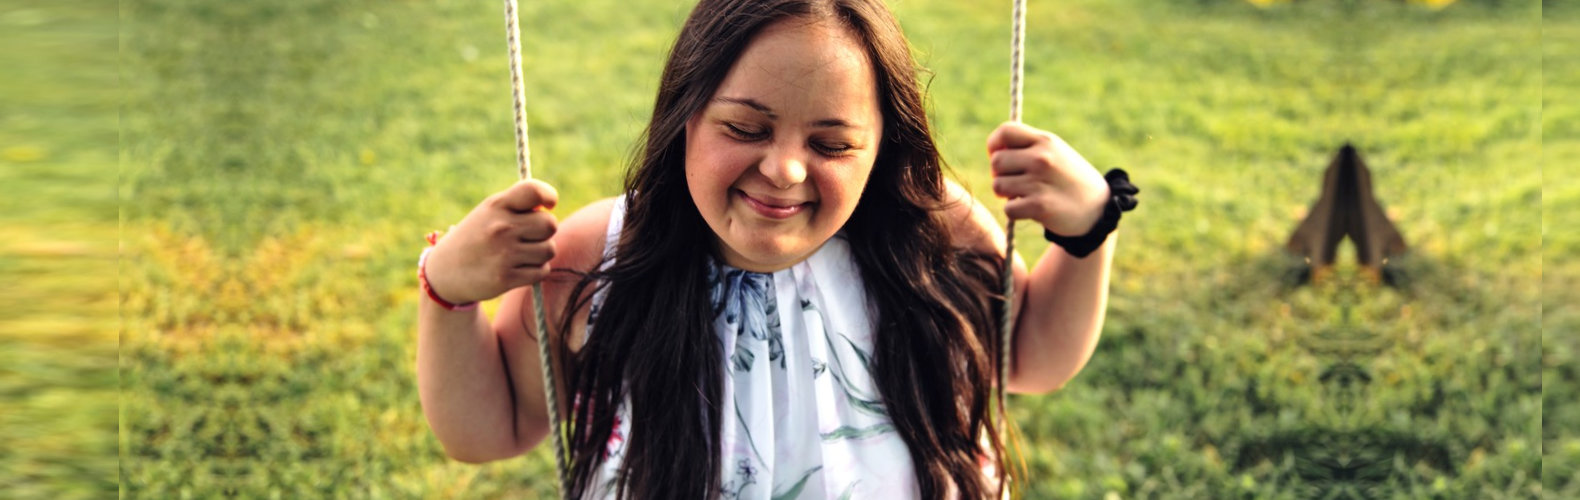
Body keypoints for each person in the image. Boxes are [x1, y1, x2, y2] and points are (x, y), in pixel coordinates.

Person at [416, 0, 1130, 498]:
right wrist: (448, 293)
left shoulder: (925, 226)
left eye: (831, 145)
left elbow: (1029, 358)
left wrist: (1087, 230)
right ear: (685, 117)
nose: (785, 169)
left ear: (879, 150)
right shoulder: (601, 250)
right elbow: (491, 429)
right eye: (746, 129)